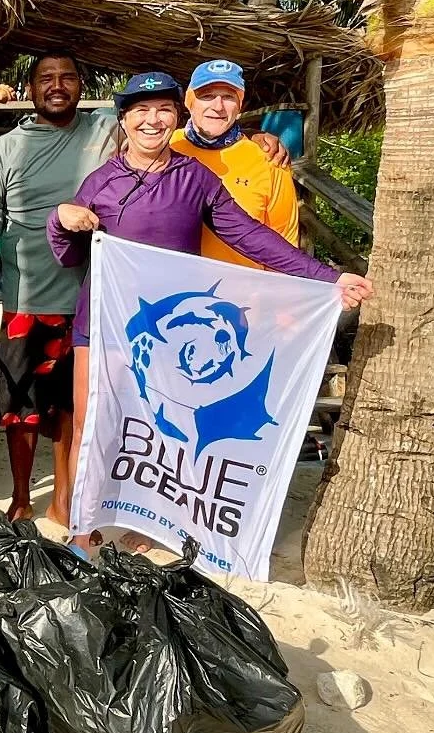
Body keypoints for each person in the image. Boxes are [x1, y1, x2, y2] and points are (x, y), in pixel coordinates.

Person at [46, 72, 373, 555]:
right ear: (124, 121)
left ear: (176, 117)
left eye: (162, 110)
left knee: (165, 430)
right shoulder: (102, 180)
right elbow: (70, 257)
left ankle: (153, 522)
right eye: (140, 111)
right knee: (96, 424)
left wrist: (325, 277)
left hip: (177, 331)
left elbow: (250, 235)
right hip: (103, 323)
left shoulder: (196, 178)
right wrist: (61, 218)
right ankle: (82, 530)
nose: (152, 120)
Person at [0, 50, 117, 526]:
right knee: (22, 408)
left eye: (68, 77)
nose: (57, 85)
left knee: (74, 409)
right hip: (24, 297)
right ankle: (20, 498)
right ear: (29, 89)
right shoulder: (7, 149)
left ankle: (65, 499)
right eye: (46, 78)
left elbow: (170, 121)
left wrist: (259, 138)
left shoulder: (106, 129)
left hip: (90, 296)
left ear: (82, 86)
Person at [170, 59, 300, 266]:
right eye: (207, 96)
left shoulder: (269, 157)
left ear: (240, 105)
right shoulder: (165, 147)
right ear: (189, 101)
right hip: (171, 292)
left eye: (229, 97)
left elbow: (284, 241)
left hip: (242, 294)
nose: (218, 106)